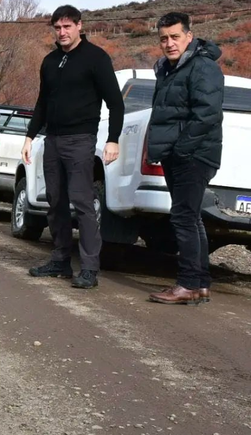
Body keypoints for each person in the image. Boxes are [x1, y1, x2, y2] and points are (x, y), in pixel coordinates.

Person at [21, 4, 124, 289]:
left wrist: (112, 139)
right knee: (54, 202)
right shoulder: (50, 61)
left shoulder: (96, 58)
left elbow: (115, 102)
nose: (62, 32)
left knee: (82, 202)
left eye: (67, 26)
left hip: (80, 140)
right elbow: (42, 102)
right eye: (57, 27)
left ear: (80, 26)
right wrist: (30, 137)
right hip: (51, 140)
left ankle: (90, 268)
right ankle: (60, 261)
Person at [146, 13, 224, 305]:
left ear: (189, 36)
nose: (169, 43)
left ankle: (188, 283)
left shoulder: (202, 66)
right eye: (164, 38)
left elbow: (207, 113)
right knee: (191, 218)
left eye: (175, 36)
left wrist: (180, 148)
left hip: (194, 154)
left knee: (182, 217)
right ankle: (200, 283)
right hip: (179, 153)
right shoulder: (170, 69)